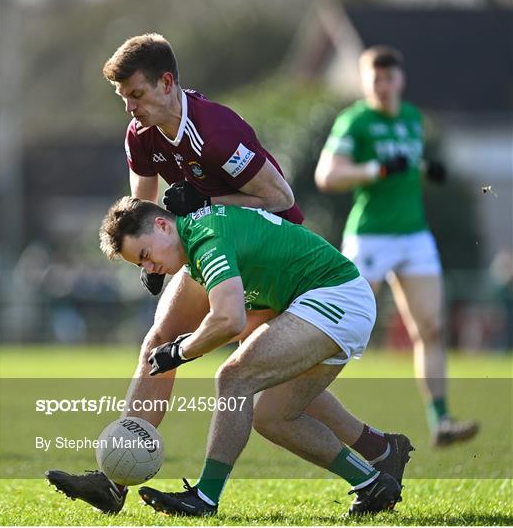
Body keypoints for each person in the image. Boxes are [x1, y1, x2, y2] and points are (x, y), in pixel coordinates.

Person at [45, 34, 411, 514]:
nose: (130, 109)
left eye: (136, 94)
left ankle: (375, 454)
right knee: (164, 345)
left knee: (253, 375)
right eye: (124, 100)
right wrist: (150, 259)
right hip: (207, 242)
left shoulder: (216, 130)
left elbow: (280, 199)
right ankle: (116, 481)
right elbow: (143, 207)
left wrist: (206, 202)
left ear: (167, 83)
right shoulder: (140, 134)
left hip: (270, 255)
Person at [98, 196, 413, 516]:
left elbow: (228, 319)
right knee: (272, 417)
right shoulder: (198, 239)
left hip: (336, 297)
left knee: (234, 377)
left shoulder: (205, 236)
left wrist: (180, 351)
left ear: (163, 225)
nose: (150, 269)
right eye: (141, 265)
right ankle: (371, 483)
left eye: (145, 255)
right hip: (331, 302)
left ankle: (205, 499)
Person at [314, 45, 479, 447]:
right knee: (343, 329)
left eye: (390, 78)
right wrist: (378, 169)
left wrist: (424, 171)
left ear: (401, 80)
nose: (384, 86)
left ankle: (441, 420)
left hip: (414, 235)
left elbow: (404, 170)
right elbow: (327, 176)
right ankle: (302, 397)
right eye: (376, 79)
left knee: (432, 327)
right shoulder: (356, 121)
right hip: (369, 235)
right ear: (366, 81)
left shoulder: (411, 119)